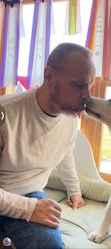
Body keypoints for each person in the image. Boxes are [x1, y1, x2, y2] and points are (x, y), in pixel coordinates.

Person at [0, 43, 96, 249]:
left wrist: (74, 190)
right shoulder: (5, 114)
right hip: (6, 195)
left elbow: (64, 152)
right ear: (49, 77)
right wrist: (28, 209)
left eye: (90, 85)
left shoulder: (70, 116)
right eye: (79, 85)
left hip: (32, 194)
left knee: (48, 244)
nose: (87, 95)